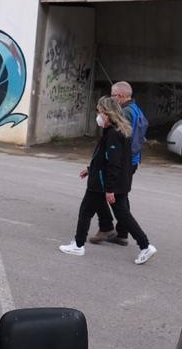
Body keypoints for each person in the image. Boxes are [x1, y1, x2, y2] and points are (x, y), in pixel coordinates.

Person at [60, 96, 158, 265]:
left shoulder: (113, 134)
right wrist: (90, 169)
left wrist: (110, 189)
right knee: (121, 214)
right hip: (108, 181)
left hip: (103, 184)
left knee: (87, 211)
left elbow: (114, 164)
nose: (97, 115)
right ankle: (145, 245)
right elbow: (105, 159)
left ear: (107, 114)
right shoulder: (118, 130)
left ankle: (78, 245)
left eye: (99, 111)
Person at [89, 81, 149, 246]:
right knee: (121, 198)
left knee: (100, 192)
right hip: (131, 161)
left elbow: (118, 141)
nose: (111, 99)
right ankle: (121, 233)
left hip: (122, 163)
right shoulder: (137, 110)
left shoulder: (125, 113)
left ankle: (107, 227)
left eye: (113, 95)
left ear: (121, 96)